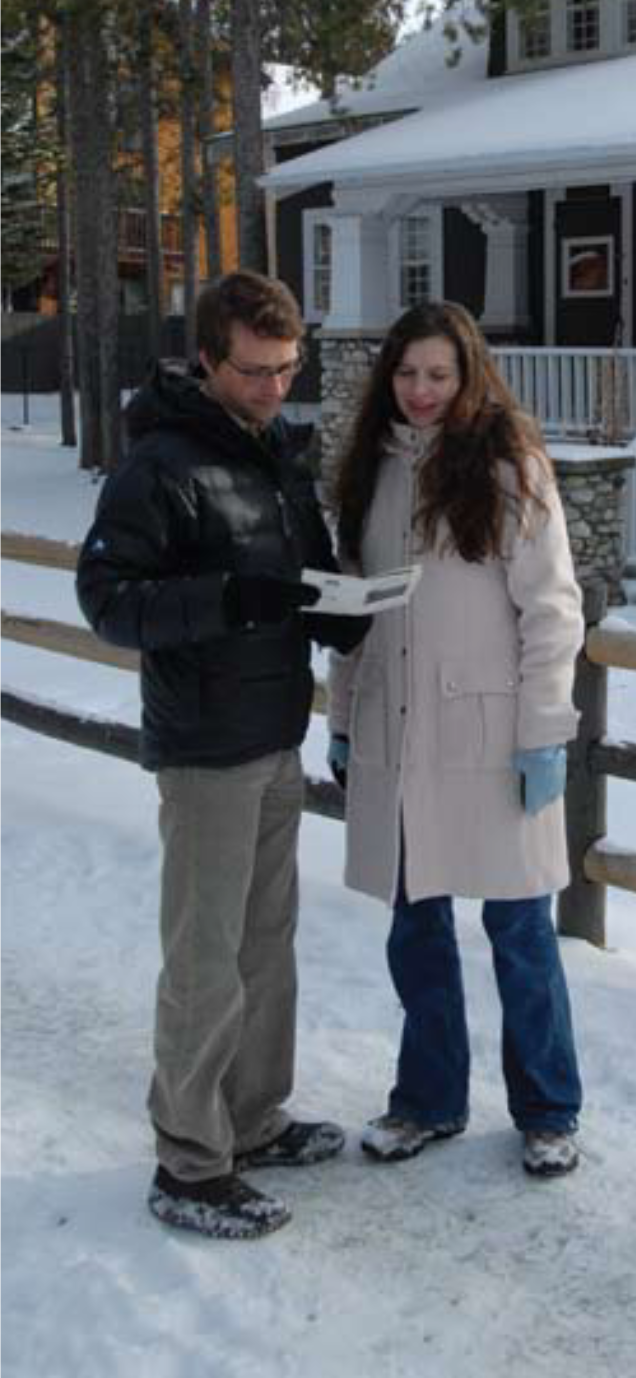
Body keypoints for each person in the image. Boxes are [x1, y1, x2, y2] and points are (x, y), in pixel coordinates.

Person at [76, 270, 372, 1240]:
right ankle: (190, 1160)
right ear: (208, 360)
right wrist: (226, 602)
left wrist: (337, 614)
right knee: (204, 957)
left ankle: (251, 1117)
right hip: (205, 748)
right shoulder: (158, 464)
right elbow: (109, 601)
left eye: (288, 369)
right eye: (255, 371)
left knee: (264, 944)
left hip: (275, 731)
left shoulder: (276, 454)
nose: (275, 387)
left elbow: (296, 573)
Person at [327, 300, 585, 1179]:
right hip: (395, 737)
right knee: (417, 931)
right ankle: (428, 1100)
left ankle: (548, 1108)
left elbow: (552, 611)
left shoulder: (512, 468)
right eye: (407, 374)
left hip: (491, 734)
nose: (422, 391)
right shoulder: (371, 471)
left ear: (468, 374)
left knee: (522, 932)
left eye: (439, 374)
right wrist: (340, 719)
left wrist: (545, 734)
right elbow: (356, 610)